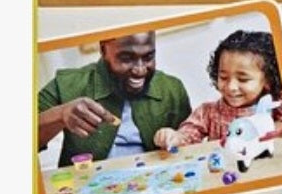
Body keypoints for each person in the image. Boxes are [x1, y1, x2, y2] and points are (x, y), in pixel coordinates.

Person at [37, 32, 192, 168]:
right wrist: (60, 115)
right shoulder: (66, 84)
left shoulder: (172, 89)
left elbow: (189, 149)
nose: (140, 70)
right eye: (126, 58)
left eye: (148, 57)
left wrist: (177, 139)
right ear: (103, 50)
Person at [154, 30, 282, 150]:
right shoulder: (207, 112)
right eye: (223, 77)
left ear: (268, 81)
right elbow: (188, 136)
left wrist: (281, 126)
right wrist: (174, 137)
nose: (231, 87)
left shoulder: (277, 106)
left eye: (243, 79)